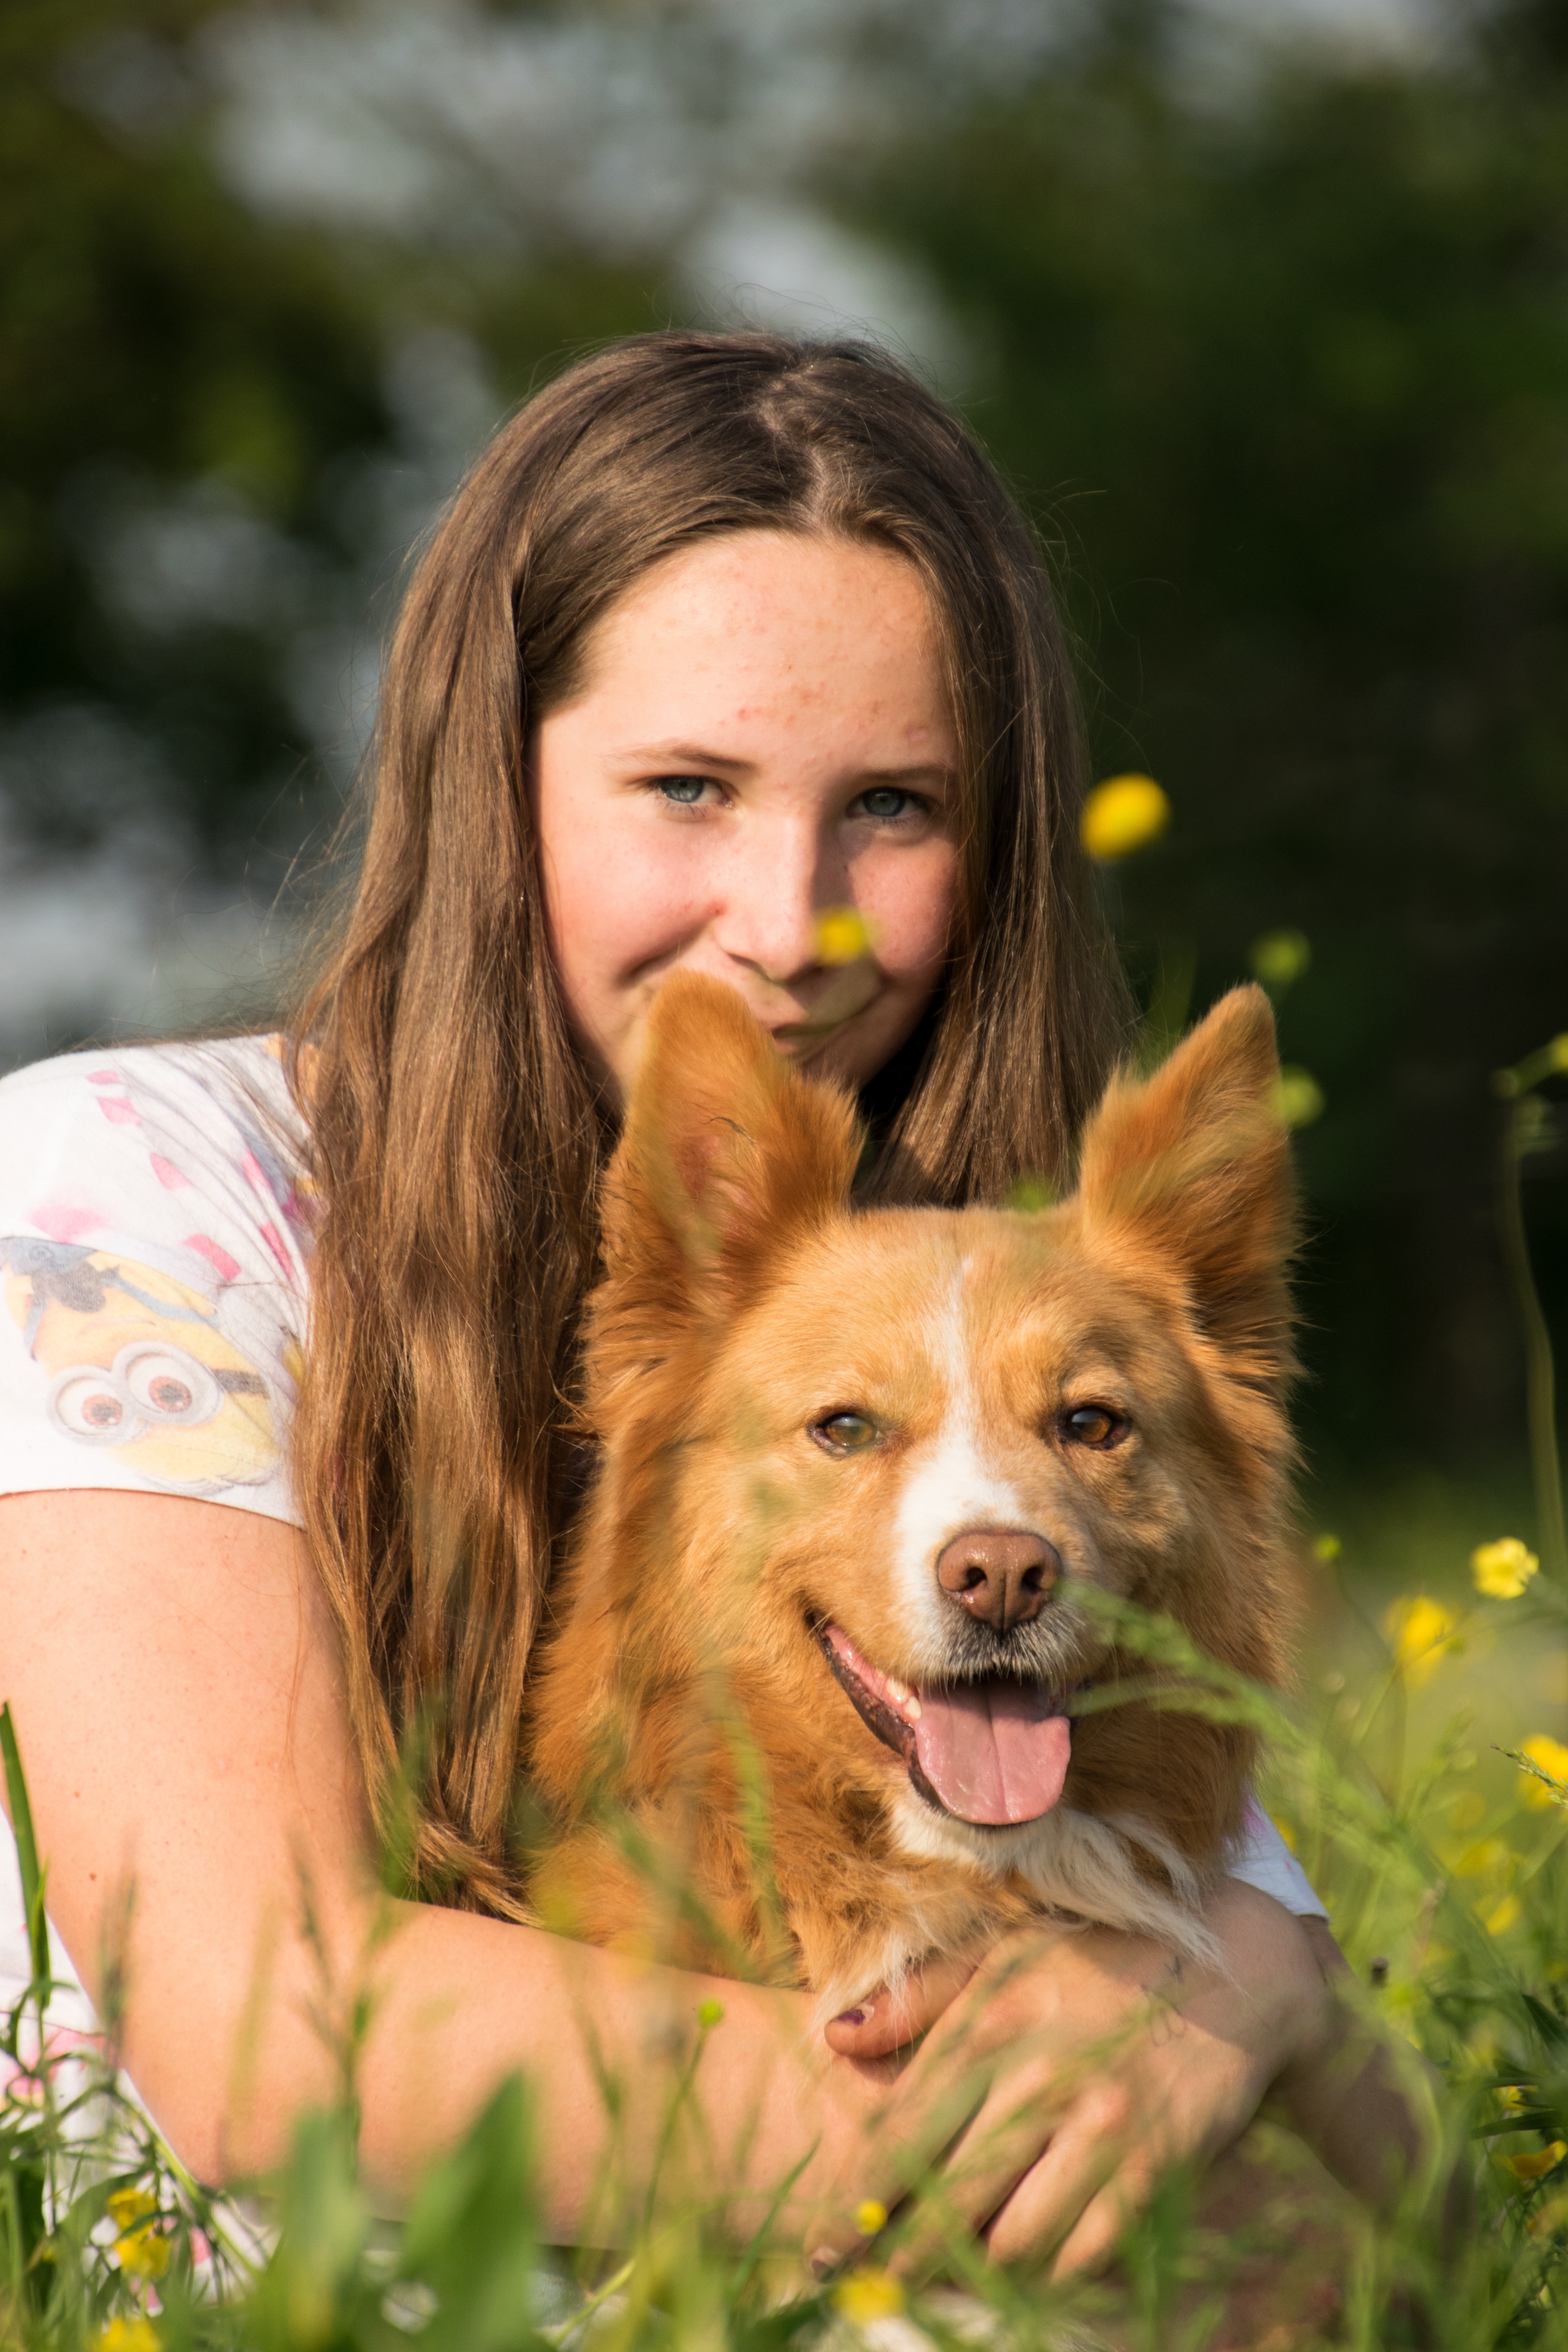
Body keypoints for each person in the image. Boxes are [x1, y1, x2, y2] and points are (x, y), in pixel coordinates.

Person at [0, 332, 1421, 2276]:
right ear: (490, 784)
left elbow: (1358, 2125)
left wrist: (1242, 1979)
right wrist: (1073, 2130)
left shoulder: (966, 1313)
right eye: (686, 785)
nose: (785, 917)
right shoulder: (124, 1189)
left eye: (895, 809)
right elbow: (270, 2033)